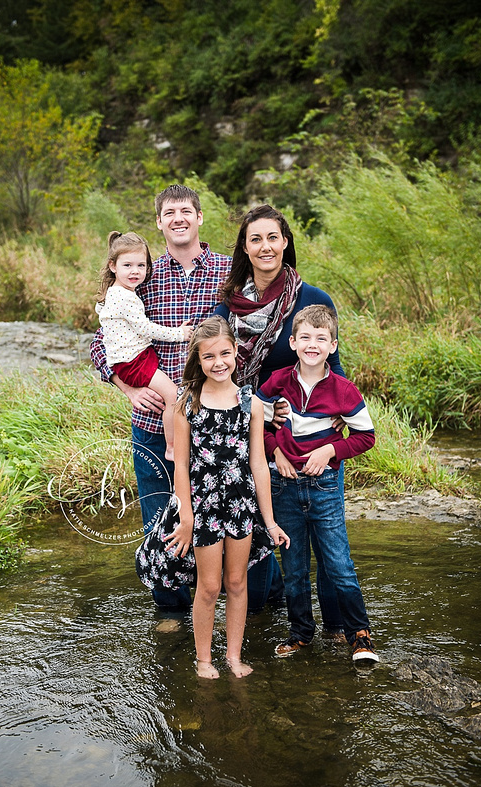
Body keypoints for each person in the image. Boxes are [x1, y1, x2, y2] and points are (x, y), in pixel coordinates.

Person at [90, 184, 282, 611]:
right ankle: (173, 614)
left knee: (241, 515)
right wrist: (129, 387)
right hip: (156, 421)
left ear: (199, 217)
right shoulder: (140, 276)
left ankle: (260, 609)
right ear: (159, 222)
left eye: (186, 211)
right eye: (169, 212)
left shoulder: (228, 274)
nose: (178, 218)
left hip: (222, 426)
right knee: (163, 517)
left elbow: (258, 339)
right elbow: (101, 343)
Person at [213, 203, 346, 640]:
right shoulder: (229, 302)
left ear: (285, 243)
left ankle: (340, 628)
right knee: (270, 531)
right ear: (245, 248)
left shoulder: (312, 299)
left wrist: (330, 444)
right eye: (256, 239)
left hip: (306, 441)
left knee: (325, 545)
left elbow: (336, 376)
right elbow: (217, 366)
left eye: (273, 237)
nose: (265, 246)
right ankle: (286, 622)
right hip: (247, 436)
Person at [138, 317, 289, 679]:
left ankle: (234, 657)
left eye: (225, 353)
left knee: (237, 583)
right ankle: (204, 659)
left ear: (236, 352)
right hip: (203, 506)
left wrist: (268, 521)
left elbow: (259, 465)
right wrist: (186, 516)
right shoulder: (186, 403)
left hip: (241, 505)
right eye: (209, 357)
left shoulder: (250, 402)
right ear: (198, 360)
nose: (219, 362)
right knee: (209, 586)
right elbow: (181, 467)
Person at [256, 305, 380, 663]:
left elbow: (365, 437)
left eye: (321, 339)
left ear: (332, 345)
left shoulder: (343, 390)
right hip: (284, 486)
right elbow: (257, 429)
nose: (313, 344)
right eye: (305, 338)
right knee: (294, 567)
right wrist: (276, 451)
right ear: (293, 342)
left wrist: (330, 450)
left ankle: (360, 634)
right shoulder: (276, 382)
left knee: (338, 563)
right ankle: (301, 633)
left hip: (323, 485)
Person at [95, 231, 191, 461]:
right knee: (174, 395)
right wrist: (180, 333)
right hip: (133, 362)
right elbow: (147, 328)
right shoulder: (124, 298)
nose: (135, 271)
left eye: (141, 265)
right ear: (113, 266)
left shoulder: (116, 293)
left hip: (134, 357)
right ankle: (171, 446)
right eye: (127, 265)